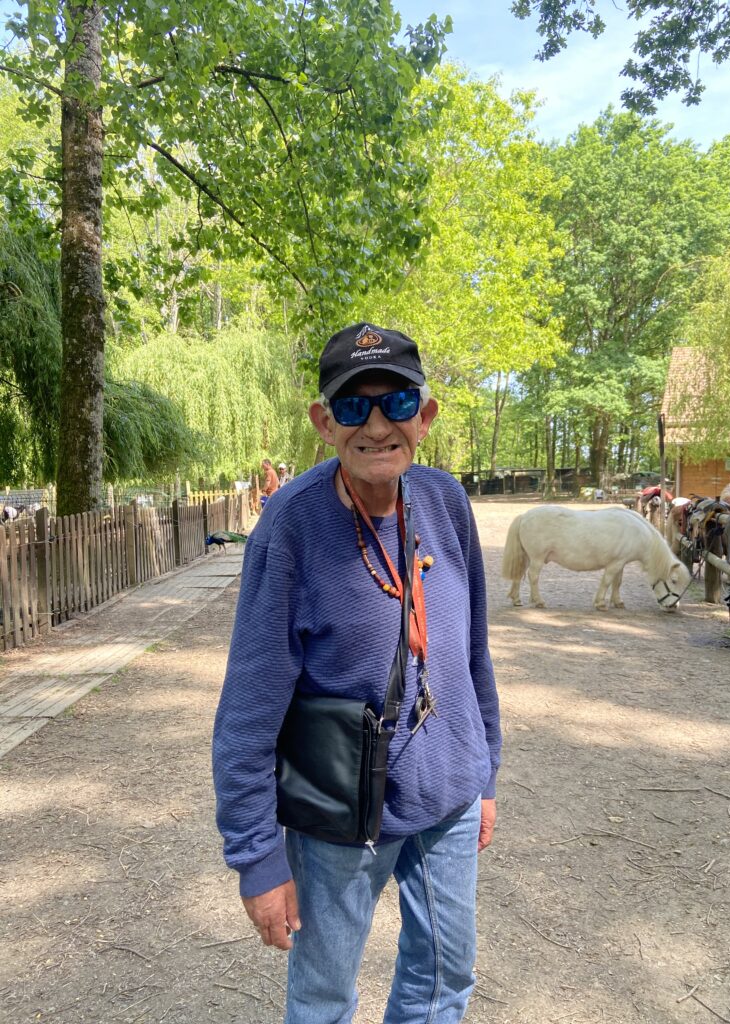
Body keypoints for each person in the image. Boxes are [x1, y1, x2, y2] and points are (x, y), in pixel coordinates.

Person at [213, 322, 501, 1024]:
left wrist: (485, 773)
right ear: (324, 423)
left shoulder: (446, 503)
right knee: (322, 998)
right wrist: (257, 856)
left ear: (424, 417)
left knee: (445, 980)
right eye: (352, 406)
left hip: (450, 800)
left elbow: (473, 654)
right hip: (338, 814)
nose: (376, 425)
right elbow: (248, 709)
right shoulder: (291, 525)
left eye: (396, 403)